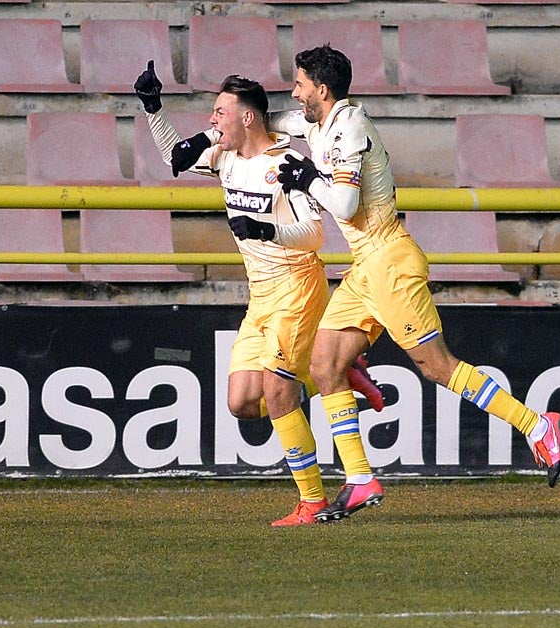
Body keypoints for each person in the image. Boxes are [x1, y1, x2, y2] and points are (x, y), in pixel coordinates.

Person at [270, 45, 560, 522]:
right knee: (324, 365)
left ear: (321, 90)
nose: (294, 91)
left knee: (437, 367)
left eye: (299, 83)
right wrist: (231, 115)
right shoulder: (318, 122)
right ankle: (361, 479)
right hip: (366, 268)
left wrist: (307, 179)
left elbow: (344, 206)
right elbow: (278, 120)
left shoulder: (350, 129)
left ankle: (537, 426)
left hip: (389, 262)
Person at [134, 62, 383, 526]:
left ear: (246, 117)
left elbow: (312, 234)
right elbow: (175, 156)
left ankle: (311, 502)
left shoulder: (285, 161)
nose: (212, 120)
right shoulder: (225, 156)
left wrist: (267, 229)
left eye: (219, 112)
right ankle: (334, 369)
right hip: (261, 295)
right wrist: (153, 106)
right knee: (242, 401)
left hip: (297, 286)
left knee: (276, 389)